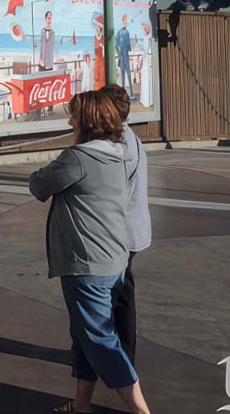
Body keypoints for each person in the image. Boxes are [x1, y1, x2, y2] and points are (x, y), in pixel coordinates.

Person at [29, 90, 150, 414]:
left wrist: (65, 155)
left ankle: (142, 411)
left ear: (86, 122)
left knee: (100, 340)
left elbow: (39, 185)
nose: (69, 121)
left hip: (86, 263)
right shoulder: (121, 149)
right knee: (85, 335)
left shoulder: (79, 158)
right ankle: (81, 405)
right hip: (114, 257)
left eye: (73, 116)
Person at [102, 85, 150, 365]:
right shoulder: (128, 138)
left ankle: (121, 355)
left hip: (123, 233)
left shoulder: (119, 145)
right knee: (122, 293)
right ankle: (121, 351)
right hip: (131, 230)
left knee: (118, 297)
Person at [115, 15, 134, 98]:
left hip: (126, 56)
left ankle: (132, 94)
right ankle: (123, 95)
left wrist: (130, 47)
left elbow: (128, 45)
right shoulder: (119, 32)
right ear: (123, 21)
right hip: (122, 57)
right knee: (123, 76)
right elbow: (116, 44)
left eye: (127, 21)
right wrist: (119, 54)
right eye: (125, 21)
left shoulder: (127, 32)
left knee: (129, 75)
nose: (126, 22)